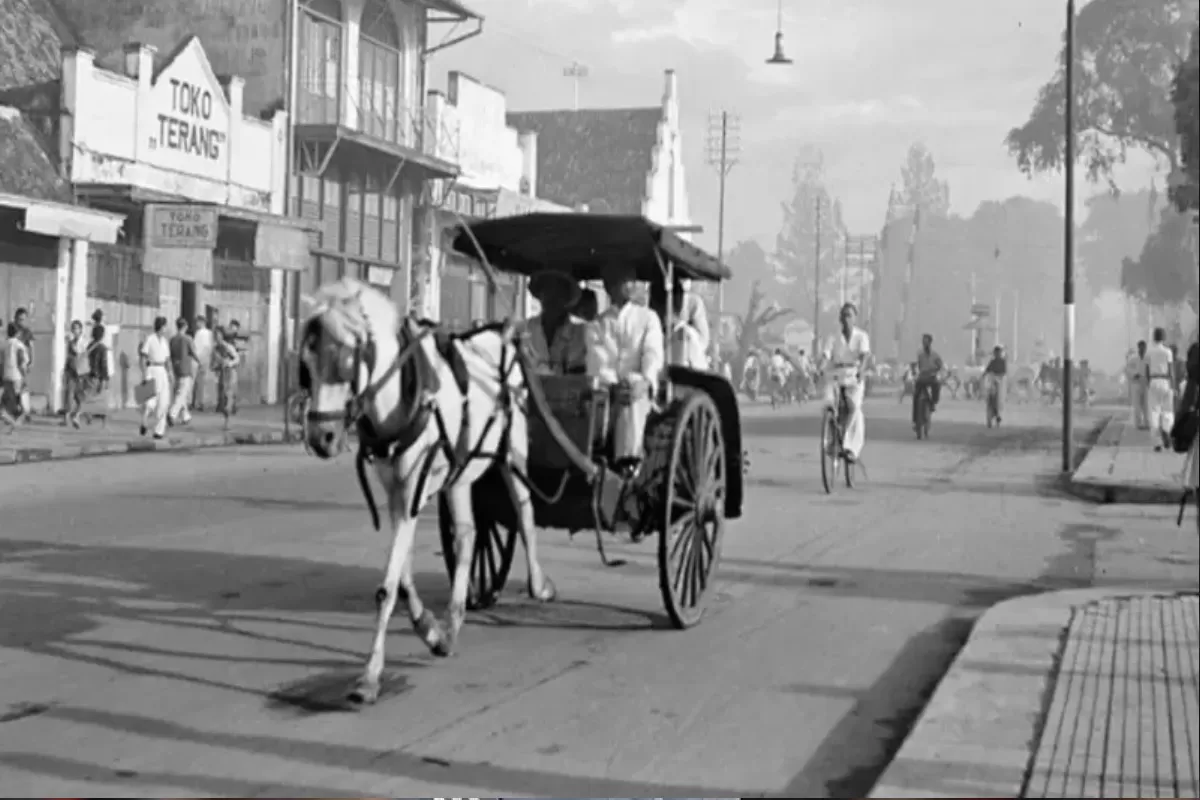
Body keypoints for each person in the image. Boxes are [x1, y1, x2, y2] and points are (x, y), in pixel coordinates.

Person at [587, 262, 664, 465]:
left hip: (639, 396)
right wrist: (612, 386)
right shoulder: (597, 324)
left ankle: (628, 463)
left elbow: (652, 353)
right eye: (623, 279)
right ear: (609, 285)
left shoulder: (648, 318)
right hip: (605, 395)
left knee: (631, 390)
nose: (630, 284)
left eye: (632, 279)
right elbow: (597, 361)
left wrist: (645, 381)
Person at [820, 303, 870, 462]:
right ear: (840, 318)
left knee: (854, 408)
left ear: (855, 318)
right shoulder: (833, 337)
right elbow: (826, 355)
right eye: (844, 315)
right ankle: (832, 438)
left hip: (853, 374)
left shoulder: (861, 336)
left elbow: (864, 357)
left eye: (849, 315)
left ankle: (851, 448)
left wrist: (861, 370)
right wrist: (819, 367)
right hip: (835, 373)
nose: (846, 318)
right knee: (829, 404)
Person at [525, 270, 587, 375]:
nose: (551, 298)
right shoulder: (527, 329)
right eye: (546, 291)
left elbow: (577, 374)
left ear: (567, 298)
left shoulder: (579, 333)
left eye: (557, 292)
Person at [139, 316, 172, 439]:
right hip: (152, 369)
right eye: (164, 326)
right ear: (160, 326)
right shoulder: (150, 339)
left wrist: (170, 373)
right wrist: (144, 373)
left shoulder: (165, 341)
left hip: (162, 370)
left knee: (164, 401)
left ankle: (159, 431)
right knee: (149, 401)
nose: (165, 328)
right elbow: (143, 356)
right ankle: (144, 420)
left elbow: (167, 360)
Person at [1146, 327, 1176, 451]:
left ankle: (1157, 443)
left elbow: (1147, 371)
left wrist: (1150, 384)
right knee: (1167, 410)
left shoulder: (1149, 352)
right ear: (1163, 338)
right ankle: (1166, 429)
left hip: (1153, 380)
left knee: (1154, 412)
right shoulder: (1168, 352)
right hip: (1165, 381)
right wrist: (1173, 386)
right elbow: (1171, 370)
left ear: (1154, 338)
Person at [168, 316, 200, 425]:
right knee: (182, 393)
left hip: (176, 368)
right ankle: (172, 414)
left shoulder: (172, 339)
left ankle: (185, 416)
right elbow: (193, 352)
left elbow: (170, 355)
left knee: (180, 392)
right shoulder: (187, 339)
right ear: (185, 326)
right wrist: (199, 361)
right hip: (185, 368)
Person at [1, 322, 31, 429]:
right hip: (17, 376)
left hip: (6, 376)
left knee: (9, 400)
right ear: (18, 333)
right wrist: (24, 373)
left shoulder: (4, 344)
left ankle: (12, 419)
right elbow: (22, 361)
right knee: (23, 402)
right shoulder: (19, 345)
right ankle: (16, 421)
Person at [63, 320, 90, 428]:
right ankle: (67, 417)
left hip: (81, 373)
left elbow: (80, 355)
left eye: (77, 328)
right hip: (71, 371)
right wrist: (65, 369)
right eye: (73, 328)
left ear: (81, 330)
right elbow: (69, 357)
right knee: (69, 394)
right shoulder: (71, 342)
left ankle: (76, 416)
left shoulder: (84, 342)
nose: (75, 330)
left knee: (80, 397)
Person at [913, 333, 944, 429]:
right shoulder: (920, 354)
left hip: (931, 377)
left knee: (936, 386)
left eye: (926, 341)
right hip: (922, 378)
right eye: (923, 341)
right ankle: (916, 421)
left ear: (930, 343)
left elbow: (940, 365)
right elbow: (917, 365)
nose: (924, 343)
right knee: (915, 397)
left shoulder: (935, 355)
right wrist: (915, 372)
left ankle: (933, 403)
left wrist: (935, 370)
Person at [213, 326, 241, 423]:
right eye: (215, 335)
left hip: (230, 373)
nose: (217, 337)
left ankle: (227, 420)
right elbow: (215, 362)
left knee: (228, 395)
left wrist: (229, 363)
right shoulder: (216, 348)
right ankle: (226, 417)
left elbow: (237, 359)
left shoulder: (228, 347)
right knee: (223, 397)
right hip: (222, 374)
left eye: (218, 335)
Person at [12, 307, 34, 423]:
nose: (21, 322)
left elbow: (31, 347)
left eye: (23, 319)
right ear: (15, 318)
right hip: (11, 363)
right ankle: (19, 410)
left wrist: (31, 361)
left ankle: (26, 411)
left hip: (22, 364)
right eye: (20, 319)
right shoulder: (11, 329)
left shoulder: (27, 332)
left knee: (23, 387)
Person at [191, 315, 213, 411]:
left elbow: (194, 347)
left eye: (197, 322)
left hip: (197, 359)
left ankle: (195, 402)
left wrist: (197, 359)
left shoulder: (199, 333)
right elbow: (209, 347)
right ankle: (201, 402)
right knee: (202, 382)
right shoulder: (210, 333)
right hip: (206, 358)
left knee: (196, 382)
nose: (196, 324)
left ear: (201, 322)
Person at [983, 344, 1008, 424]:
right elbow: (987, 370)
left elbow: (1004, 372)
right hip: (992, 380)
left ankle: (998, 414)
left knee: (999, 397)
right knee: (990, 395)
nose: (997, 354)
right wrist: (984, 375)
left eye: (998, 352)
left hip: (1000, 381)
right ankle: (991, 413)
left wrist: (999, 377)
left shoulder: (1003, 361)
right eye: (996, 353)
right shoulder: (992, 361)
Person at [1128, 341, 1149, 429]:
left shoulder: (1148, 357)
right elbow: (1128, 369)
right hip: (1136, 383)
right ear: (1138, 347)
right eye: (1141, 347)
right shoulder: (1132, 358)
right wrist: (1134, 374)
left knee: (1146, 404)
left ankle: (1147, 423)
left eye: (1144, 347)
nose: (1143, 349)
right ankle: (1138, 424)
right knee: (1137, 404)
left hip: (1146, 383)